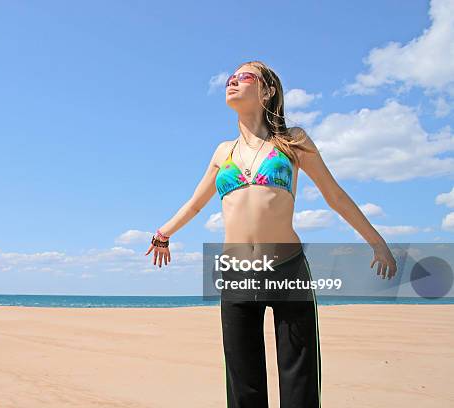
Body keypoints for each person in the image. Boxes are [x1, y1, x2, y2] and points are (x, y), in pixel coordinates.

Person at [144, 60, 398, 408]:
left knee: (299, 378)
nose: (232, 81)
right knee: (242, 382)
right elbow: (195, 203)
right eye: (229, 78)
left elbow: (334, 195)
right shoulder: (223, 151)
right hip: (236, 274)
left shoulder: (293, 140)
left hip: (287, 267)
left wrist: (377, 242)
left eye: (243, 77)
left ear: (267, 90)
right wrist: (163, 233)